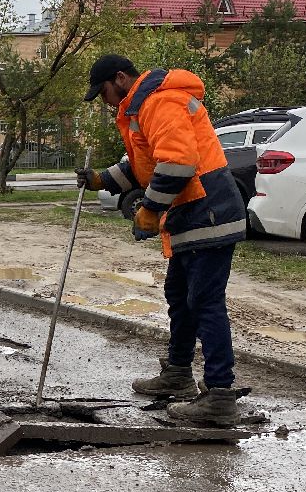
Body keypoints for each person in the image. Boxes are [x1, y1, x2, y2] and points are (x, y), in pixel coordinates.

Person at [79, 54, 250, 426]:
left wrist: (152, 210)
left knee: (204, 302)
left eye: (104, 92)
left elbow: (178, 163)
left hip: (209, 210)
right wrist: (100, 180)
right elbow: (143, 164)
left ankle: (220, 396)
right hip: (193, 212)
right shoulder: (144, 106)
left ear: (120, 79)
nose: (106, 101)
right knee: (180, 297)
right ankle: (178, 372)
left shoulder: (160, 101)